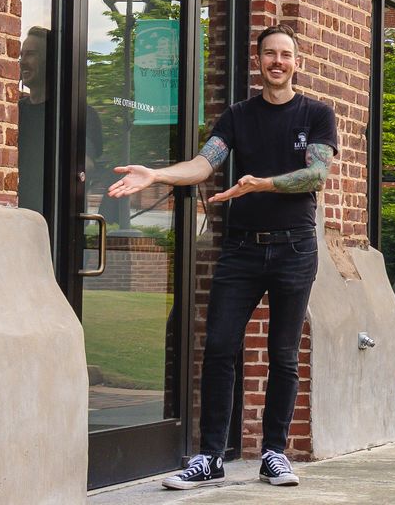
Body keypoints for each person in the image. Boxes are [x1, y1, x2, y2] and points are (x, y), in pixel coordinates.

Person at [106, 25, 336, 490]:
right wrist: (156, 175)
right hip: (242, 248)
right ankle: (210, 456)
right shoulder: (238, 116)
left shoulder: (316, 114)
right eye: (269, 54)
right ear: (259, 61)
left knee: (284, 354)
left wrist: (262, 184)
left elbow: (316, 175)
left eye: (286, 54)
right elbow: (205, 163)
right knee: (219, 348)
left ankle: (274, 452)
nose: (278, 61)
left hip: (294, 246)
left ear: (297, 61)